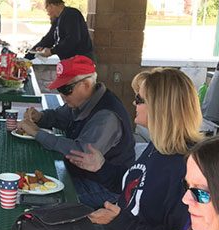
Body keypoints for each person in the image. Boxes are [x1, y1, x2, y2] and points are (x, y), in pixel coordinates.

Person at [77, 69, 200, 230]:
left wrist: (120, 223)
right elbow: (137, 186)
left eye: (139, 99)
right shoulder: (158, 147)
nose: (134, 103)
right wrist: (101, 167)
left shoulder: (188, 167)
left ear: (160, 108)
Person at [14, 55, 135, 208]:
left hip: (106, 188)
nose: (62, 95)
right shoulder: (84, 100)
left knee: (40, 200)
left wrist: (37, 133)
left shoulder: (106, 116)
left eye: (66, 89)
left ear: (85, 84)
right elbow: (60, 116)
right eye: (60, 89)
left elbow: (81, 153)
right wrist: (40, 117)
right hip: (83, 175)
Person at [31, 0, 95, 60]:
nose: (48, 13)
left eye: (47, 9)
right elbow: (49, 38)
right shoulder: (58, 19)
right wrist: (33, 52)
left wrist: (52, 51)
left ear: (51, 6)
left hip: (80, 61)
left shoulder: (71, 14)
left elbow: (72, 39)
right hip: (68, 61)